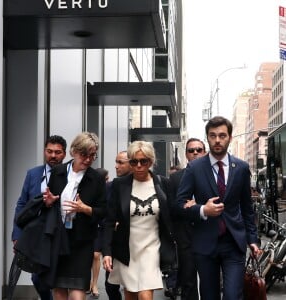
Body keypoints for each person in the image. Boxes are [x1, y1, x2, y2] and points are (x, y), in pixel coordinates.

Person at [176, 116, 261, 300]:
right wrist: (202, 210)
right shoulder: (194, 168)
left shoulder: (241, 168)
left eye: (222, 135)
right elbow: (179, 204)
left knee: (232, 296)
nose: (217, 140)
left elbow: (247, 208)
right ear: (207, 137)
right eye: (213, 135)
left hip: (234, 242)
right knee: (209, 296)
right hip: (205, 243)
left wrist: (253, 240)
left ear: (230, 137)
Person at [102, 141, 176, 300]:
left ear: (151, 161)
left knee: (145, 295)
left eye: (144, 161)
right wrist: (107, 252)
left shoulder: (163, 184)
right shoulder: (119, 185)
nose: (139, 165)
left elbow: (172, 213)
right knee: (131, 294)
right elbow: (109, 221)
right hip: (127, 249)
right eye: (134, 161)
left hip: (151, 248)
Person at [42, 132, 106, 300]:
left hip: (82, 242)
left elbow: (104, 211)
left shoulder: (96, 179)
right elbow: (48, 205)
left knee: (78, 292)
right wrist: (48, 202)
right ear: (74, 152)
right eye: (84, 154)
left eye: (92, 155)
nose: (88, 159)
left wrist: (86, 209)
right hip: (58, 238)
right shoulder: (58, 172)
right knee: (59, 289)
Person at [12, 135, 67, 300]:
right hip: (37, 234)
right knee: (37, 277)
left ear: (64, 154)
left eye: (58, 152)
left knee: (59, 277)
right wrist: (16, 234)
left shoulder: (70, 176)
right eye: (49, 151)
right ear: (44, 152)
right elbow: (22, 204)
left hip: (61, 234)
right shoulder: (33, 174)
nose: (53, 156)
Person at [168, 138, 206, 300]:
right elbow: (172, 208)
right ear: (186, 154)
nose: (195, 153)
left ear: (204, 153)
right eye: (191, 150)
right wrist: (190, 208)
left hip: (208, 234)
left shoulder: (213, 175)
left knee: (210, 281)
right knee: (188, 281)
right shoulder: (176, 178)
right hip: (184, 236)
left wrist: (197, 205)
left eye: (199, 149)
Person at [104, 150, 132, 300]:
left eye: (120, 162)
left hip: (136, 245)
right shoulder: (111, 186)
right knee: (110, 285)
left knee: (133, 286)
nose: (116, 166)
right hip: (116, 244)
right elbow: (105, 214)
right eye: (116, 162)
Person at [86, 167, 110, 298]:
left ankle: (94, 283)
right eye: (105, 179)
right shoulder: (91, 188)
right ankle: (88, 281)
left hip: (103, 226)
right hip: (90, 225)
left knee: (96, 255)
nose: (107, 181)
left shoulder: (109, 189)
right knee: (88, 255)